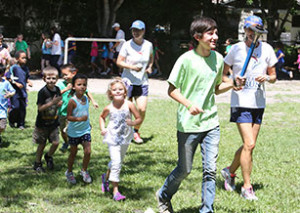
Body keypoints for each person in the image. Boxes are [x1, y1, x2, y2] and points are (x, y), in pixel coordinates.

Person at [156, 16, 232, 213]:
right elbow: (172, 90)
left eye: (216, 32)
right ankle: (163, 195)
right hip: (188, 124)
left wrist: (233, 84)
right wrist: (189, 104)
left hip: (211, 123)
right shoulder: (185, 60)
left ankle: (207, 210)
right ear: (198, 36)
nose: (215, 36)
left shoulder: (218, 59)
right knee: (185, 169)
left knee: (210, 170)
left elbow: (216, 88)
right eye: (210, 33)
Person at [221, 15, 277, 201]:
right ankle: (247, 187)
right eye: (250, 30)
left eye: (256, 31)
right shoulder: (236, 49)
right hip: (240, 102)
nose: (252, 34)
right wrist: (233, 82)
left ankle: (229, 172)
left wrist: (267, 78)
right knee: (250, 144)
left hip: (258, 102)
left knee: (248, 146)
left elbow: (274, 75)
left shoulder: (267, 49)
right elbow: (223, 75)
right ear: (245, 30)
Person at [99, 77, 142, 201]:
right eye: (114, 90)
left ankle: (105, 178)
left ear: (125, 92)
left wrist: (133, 123)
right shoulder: (109, 107)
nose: (117, 91)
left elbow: (139, 118)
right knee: (117, 163)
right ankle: (115, 192)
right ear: (110, 93)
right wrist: (103, 128)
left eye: (120, 89)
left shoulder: (129, 104)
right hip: (112, 138)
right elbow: (102, 117)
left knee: (116, 162)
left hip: (125, 138)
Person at [117, 20, 153, 144]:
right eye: (133, 30)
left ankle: (135, 131)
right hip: (128, 81)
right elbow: (119, 62)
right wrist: (132, 67)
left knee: (142, 109)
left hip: (142, 81)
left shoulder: (148, 45)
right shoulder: (127, 45)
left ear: (143, 31)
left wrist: (150, 66)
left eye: (138, 30)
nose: (135, 32)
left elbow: (151, 58)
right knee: (126, 109)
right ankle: (125, 132)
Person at [57, 64, 98, 153]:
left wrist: (93, 101)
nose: (64, 77)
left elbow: (87, 92)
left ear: (73, 73)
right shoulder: (61, 84)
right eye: (62, 75)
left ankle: (77, 140)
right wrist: (65, 89)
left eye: (66, 74)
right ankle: (66, 142)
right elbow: (56, 94)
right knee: (63, 131)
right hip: (62, 112)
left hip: (74, 113)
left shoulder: (77, 84)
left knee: (70, 128)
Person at [32, 66, 62, 172]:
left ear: (57, 79)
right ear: (44, 79)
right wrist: (52, 103)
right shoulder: (42, 92)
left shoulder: (57, 89)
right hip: (42, 123)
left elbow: (58, 102)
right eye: (48, 78)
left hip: (53, 122)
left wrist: (58, 104)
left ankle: (48, 156)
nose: (51, 80)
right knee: (42, 144)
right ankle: (37, 163)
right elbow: (40, 108)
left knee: (56, 143)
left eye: (53, 78)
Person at [65, 73, 92, 184]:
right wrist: (80, 119)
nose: (82, 87)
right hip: (74, 132)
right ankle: (69, 172)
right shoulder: (72, 101)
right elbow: (69, 117)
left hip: (85, 130)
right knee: (73, 153)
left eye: (84, 84)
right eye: (79, 84)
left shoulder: (86, 98)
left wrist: (88, 122)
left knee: (88, 151)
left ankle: (84, 171)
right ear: (73, 86)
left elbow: (85, 112)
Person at [7, 50, 32, 129]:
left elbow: (26, 77)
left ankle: (21, 124)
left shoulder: (26, 68)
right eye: (23, 58)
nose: (25, 59)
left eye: (25, 58)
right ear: (17, 59)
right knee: (16, 107)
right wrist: (16, 84)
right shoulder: (14, 68)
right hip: (15, 92)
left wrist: (29, 82)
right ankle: (11, 120)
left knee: (22, 108)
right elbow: (9, 78)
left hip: (23, 92)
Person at [0, 64, 15, 145]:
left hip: (2, 110)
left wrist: (10, 94)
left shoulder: (5, 83)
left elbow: (13, 91)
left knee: (2, 126)